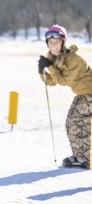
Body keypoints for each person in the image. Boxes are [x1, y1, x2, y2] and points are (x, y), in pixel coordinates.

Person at [38, 24, 91, 169]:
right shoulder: (55, 58)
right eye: (50, 42)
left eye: (56, 42)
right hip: (83, 94)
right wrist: (41, 71)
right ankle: (81, 156)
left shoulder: (73, 59)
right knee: (73, 124)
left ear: (63, 42)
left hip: (90, 94)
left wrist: (50, 67)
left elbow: (63, 80)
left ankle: (85, 158)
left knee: (76, 123)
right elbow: (52, 82)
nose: (53, 45)